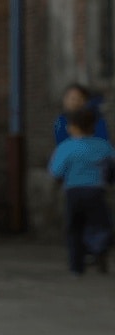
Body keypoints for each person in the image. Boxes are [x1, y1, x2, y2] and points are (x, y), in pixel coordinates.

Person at [48, 106, 115, 275]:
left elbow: (56, 171)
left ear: (73, 127)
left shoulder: (66, 147)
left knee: (74, 228)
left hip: (74, 192)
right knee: (99, 225)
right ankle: (99, 250)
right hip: (96, 192)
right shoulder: (103, 146)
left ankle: (76, 267)